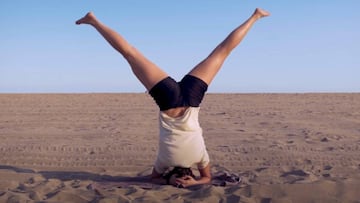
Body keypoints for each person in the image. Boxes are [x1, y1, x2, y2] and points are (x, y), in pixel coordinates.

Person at [76, 8, 270, 188]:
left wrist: (193, 182)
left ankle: (255, 16)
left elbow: (206, 177)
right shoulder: (163, 163)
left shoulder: (199, 159)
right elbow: (156, 178)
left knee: (221, 52)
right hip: (169, 100)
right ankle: (94, 21)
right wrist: (175, 180)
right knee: (130, 54)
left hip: (191, 100)